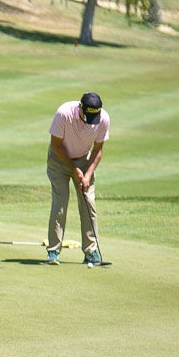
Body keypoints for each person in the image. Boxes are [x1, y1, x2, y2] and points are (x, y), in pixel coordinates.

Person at [46, 92, 109, 265]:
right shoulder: (64, 113)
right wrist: (74, 169)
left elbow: (97, 150)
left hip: (83, 159)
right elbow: (56, 145)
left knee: (88, 202)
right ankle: (53, 252)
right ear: (80, 108)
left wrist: (87, 174)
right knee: (60, 203)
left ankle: (91, 251)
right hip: (59, 159)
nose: (89, 121)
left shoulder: (103, 119)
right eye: (87, 116)